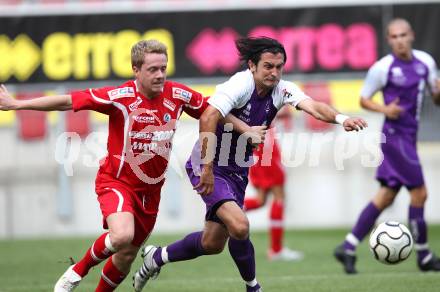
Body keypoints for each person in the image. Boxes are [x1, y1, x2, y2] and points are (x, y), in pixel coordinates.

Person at [0, 39, 250, 292]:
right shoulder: (121, 97)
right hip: (117, 182)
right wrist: (17, 104)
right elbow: (68, 101)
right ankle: (77, 271)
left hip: (150, 192)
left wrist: (246, 128)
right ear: (136, 69)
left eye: (163, 68)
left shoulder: (177, 94)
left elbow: (214, 111)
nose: (160, 75)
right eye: (153, 69)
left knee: (126, 256)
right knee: (121, 236)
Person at [133, 36, 367, 292]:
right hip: (210, 164)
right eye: (268, 66)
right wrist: (208, 168)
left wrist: (342, 118)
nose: (274, 73)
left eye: (279, 67)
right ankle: (253, 287)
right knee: (241, 226)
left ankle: (156, 257)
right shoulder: (240, 84)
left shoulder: (281, 89)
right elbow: (209, 116)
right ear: (252, 66)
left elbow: (312, 106)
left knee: (212, 243)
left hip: (238, 171)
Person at [334, 18, 440, 274]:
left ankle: (347, 247)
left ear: (411, 35)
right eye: (394, 36)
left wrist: (438, 93)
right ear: (389, 40)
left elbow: (436, 99)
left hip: (409, 135)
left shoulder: (426, 62)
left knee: (386, 196)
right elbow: (363, 99)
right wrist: (385, 109)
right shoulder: (382, 68)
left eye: (403, 34)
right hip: (395, 138)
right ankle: (424, 255)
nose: (400, 40)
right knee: (420, 193)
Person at [244, 106, 303, 261]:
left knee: (260, 200)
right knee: (279, 197)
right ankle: (276, 250)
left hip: (256, 151)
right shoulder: (267, 93)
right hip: (266, 149)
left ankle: (223, 212)